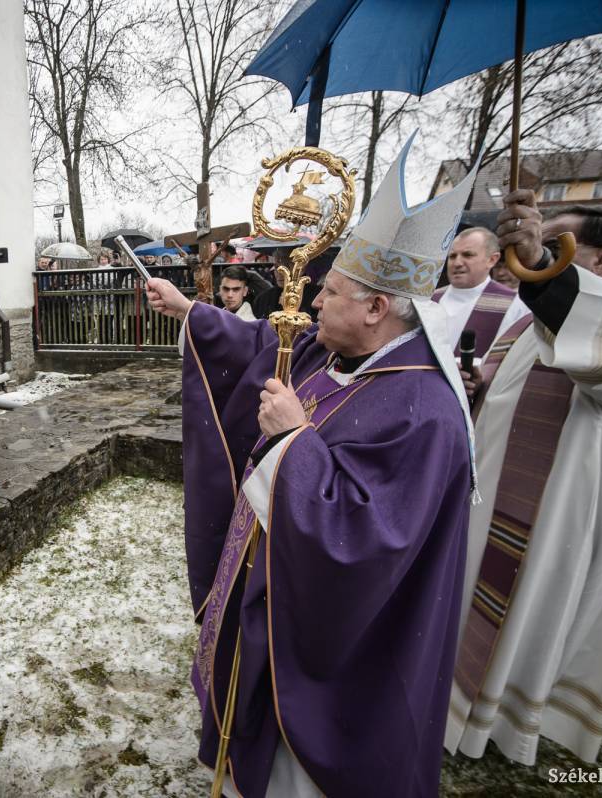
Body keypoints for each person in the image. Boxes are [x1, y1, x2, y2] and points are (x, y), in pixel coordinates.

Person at [148, 135, 478, 797]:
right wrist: (192, 312)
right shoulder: (340, 361)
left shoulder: (423, 411)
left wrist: (295, 443)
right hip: (278, 600)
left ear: (376, 308)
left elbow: (366, 541)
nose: (311, 305)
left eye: (330, 293)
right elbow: (265, 346)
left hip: (334, 651)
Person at [446, 201, 602, 767]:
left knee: (526, 607)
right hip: (492, 491)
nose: (529, 250)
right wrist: (479, 382)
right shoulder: (526, 319)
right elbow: (507, 384)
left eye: (555, 242)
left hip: (558, 509)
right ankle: (456, 692)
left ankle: (499, 714)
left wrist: (543, 265)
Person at [432, 227, 530, 358]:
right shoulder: (429, 300)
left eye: (468, 255)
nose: (457, 263)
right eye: (452, 256)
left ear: (492, 260)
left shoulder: (516, 305)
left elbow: (513, 359)